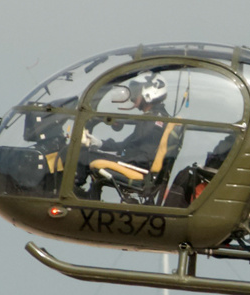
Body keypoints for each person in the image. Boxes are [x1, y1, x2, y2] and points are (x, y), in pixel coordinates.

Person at [78, 73, 183, 201]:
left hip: (138, 167)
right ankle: (88, 197)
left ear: (150, 92)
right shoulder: (155, 118)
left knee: (84, 156)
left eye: (136, 91)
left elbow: (141, 155)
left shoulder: (154, 122)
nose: (133, 96)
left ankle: (72, 194)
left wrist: (119, 158)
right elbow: (127, 145)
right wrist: (98, 143)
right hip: (136, 163)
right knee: (91, 153)